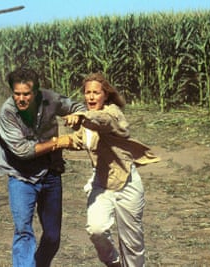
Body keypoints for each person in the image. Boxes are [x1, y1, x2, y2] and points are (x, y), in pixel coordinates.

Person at [63, 72, 160, 267]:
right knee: (96, 229)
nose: (91, 97)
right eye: (87, 93)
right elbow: (78, 139)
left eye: (96, 93)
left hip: (126, 183)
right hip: (101, 183)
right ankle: (114, 263)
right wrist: (53, 143)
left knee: (132, 243)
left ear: (105, 95)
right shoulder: (87, 121)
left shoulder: (112, 113)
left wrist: (81, 116)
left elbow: (101, 121)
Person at [0, 67, 85, 267]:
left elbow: (78, 107)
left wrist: (77, 117)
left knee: (52, 237)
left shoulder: (50, 99)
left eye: (26, 94)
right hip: (21, 176)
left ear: (36, 92)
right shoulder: (7, 112)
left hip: (51, 174)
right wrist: (58, 142)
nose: (21, 98)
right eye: (17, 94)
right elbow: (24, 151)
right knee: (23, 231)